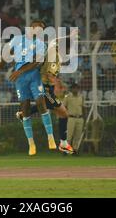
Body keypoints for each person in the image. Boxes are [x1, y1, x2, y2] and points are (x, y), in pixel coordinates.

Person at [0, 20, 56, 156]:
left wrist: (20, 70)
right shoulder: (18, 39)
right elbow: (5, 56)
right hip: (20, 80)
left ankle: (51, 137)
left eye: (43, 29)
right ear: (32, 28)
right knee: (24, 108)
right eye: (39, 28)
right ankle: (31, 143)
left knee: (40, 104)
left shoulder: (41, 44)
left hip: (33, 76)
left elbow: (37, 62)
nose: (40, 31)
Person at [15, 25, 76, 154]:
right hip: (45, 87)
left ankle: (23, 114)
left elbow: (56, 40)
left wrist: (70, 36)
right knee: (63, 113)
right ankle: (63, 144)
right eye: (69, 49)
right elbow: (49, 75)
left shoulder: (53, 46)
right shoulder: (55, 57)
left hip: (40, 84)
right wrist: (60, 87)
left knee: (54, 110)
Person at [63, 83, 85, 152]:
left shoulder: (81, 97)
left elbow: (83, 107)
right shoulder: (68, 97)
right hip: (71, 118)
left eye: (77, 88)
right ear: (71, 89)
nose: (75, 90)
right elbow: (64, 107)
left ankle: (75, 149)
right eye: (74, 88)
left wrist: (84, 117)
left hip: (80, 118)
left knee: (77, 135)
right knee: (69, 135)